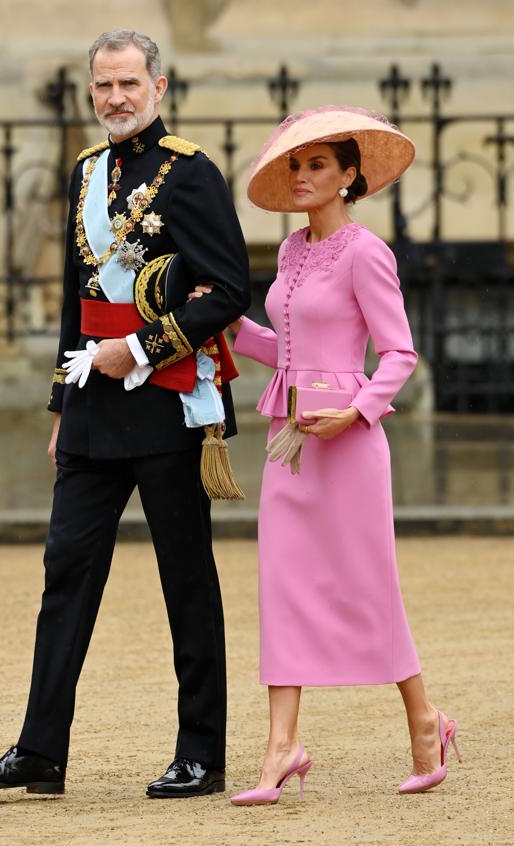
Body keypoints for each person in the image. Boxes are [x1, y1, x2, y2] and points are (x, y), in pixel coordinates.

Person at [0, 29, 250, 799]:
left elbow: (229, 290)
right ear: (91, 90)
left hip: (166, 402)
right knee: (65, 572)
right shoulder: (86, 171)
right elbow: (74, 302)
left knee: (185, 580)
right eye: (103, 85)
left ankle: (201, 754)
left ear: (158, 86)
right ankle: (40, 751)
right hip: (92, 408)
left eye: (128, 83)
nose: (116, 98)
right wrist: (62, 402)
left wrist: (143, 349)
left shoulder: (191, 173)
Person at [193, 106, 460, 805]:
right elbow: (283, 349)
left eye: (317, 165)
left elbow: (399, 353)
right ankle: (282, 747)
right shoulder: (289, 251)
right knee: (283, 586)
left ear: (348, 176)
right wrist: (227, 321)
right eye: (296, 165)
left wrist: (358, 411)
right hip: (289, 443)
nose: (302, 176)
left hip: (350, 443)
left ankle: (425, 719)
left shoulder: (367, 252)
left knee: (369, 585)